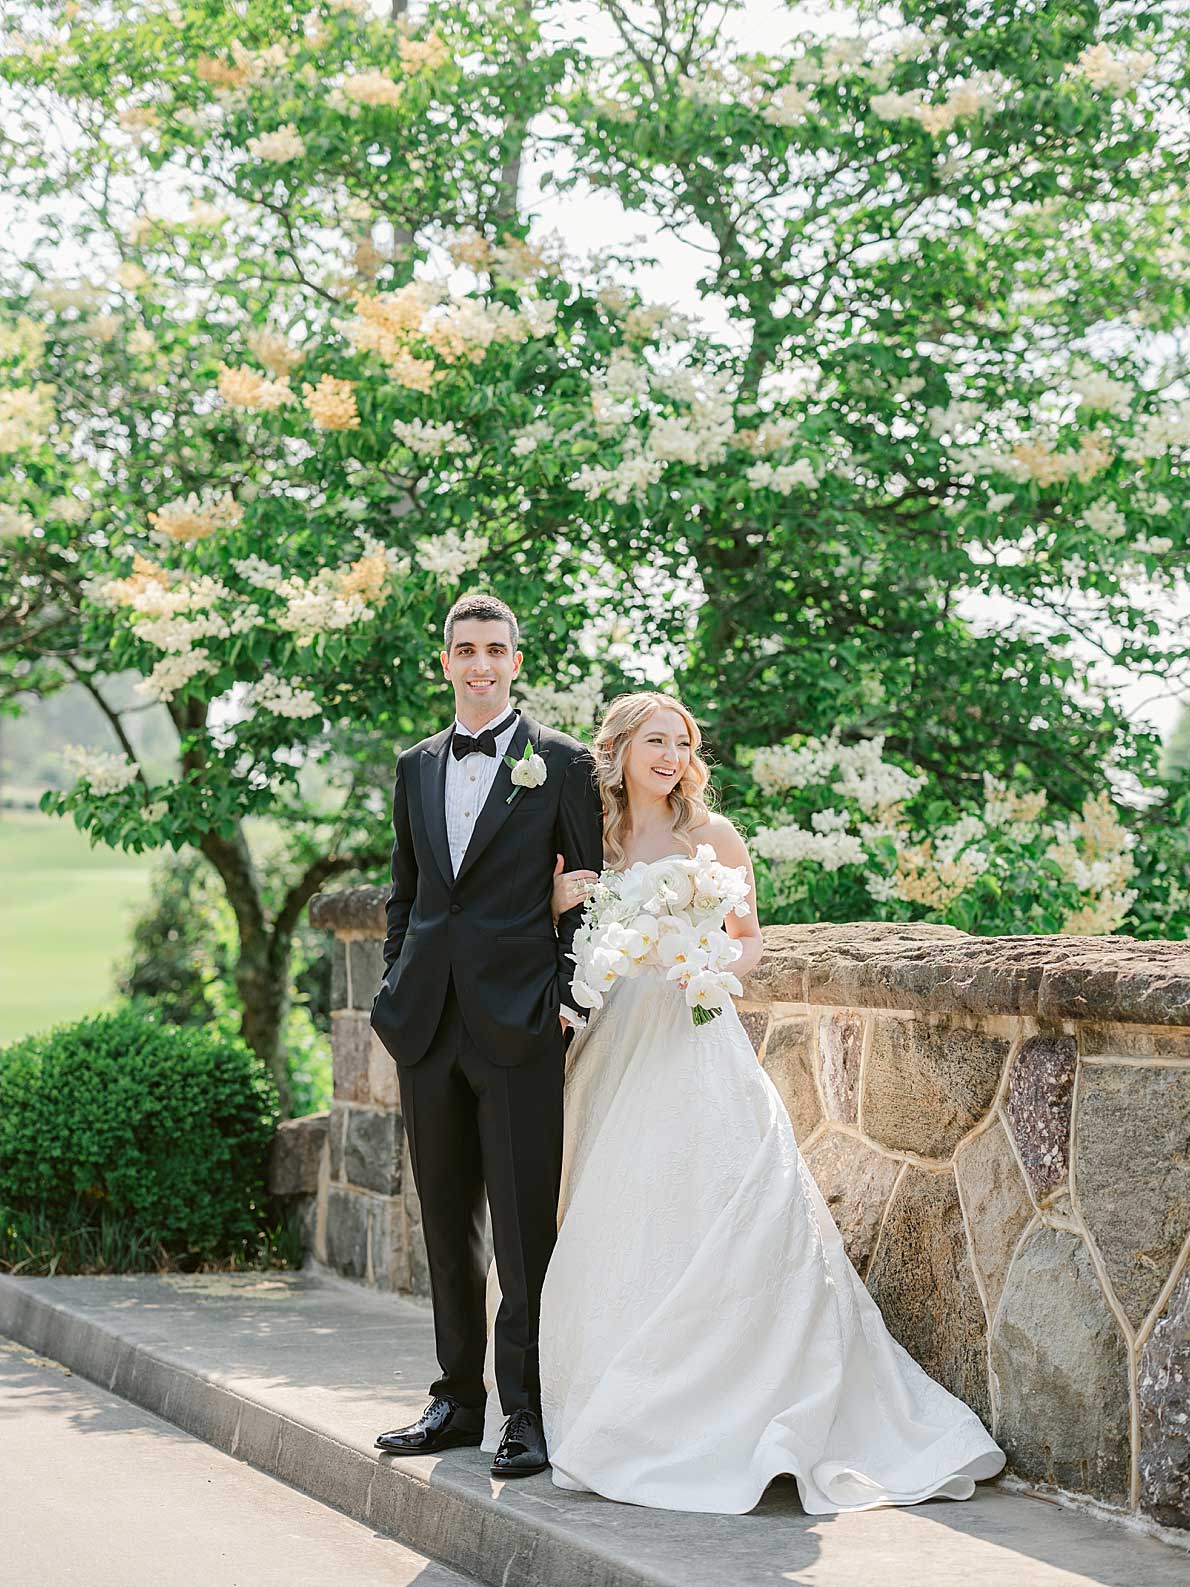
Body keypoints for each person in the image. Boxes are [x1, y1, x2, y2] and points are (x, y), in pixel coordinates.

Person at [504, 689, 1006, 1514]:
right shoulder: (595, 832)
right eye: (655, 740)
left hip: (696, 1032)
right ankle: (617, 1402)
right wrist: (568, 906)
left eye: (682, 742)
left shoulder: (713, 835)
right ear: (621, 750)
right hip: (616, 1038)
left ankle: (741, 1403)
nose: (671, 756)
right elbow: (563, 920)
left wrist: (706, 963)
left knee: (722, 1200)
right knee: (612, 1211)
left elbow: (751, 941)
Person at [369, 592, 603, 1478]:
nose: (479, 664)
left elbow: (588, 887)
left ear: (516, 659)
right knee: (446, 1219)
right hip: (426, 1022)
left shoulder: (564, 763)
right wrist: (396, 988)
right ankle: (455, 1399)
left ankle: (526, 1411)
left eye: (494, 649)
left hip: (521, 1022)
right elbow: (408, 892)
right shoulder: (415, 765)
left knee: (521, 1225)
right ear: (445, 662)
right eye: (464, 649)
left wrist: (567, 999)